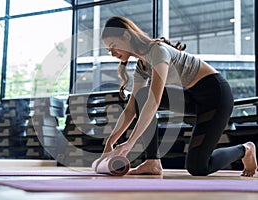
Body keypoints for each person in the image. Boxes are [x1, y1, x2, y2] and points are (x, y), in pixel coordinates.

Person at [92, 16, 257, 176]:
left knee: (198, 167)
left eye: (114, 46)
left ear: (126, 35)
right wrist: (110, 142)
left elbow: (154, 101)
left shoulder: (157, 51)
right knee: (141, 96)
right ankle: (152, 162)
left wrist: (130, 143)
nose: (112, 53)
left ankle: (246, 149)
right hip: (192, 97)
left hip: (217, 96)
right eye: (109, 50)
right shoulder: (141, 67)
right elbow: (130, 109)